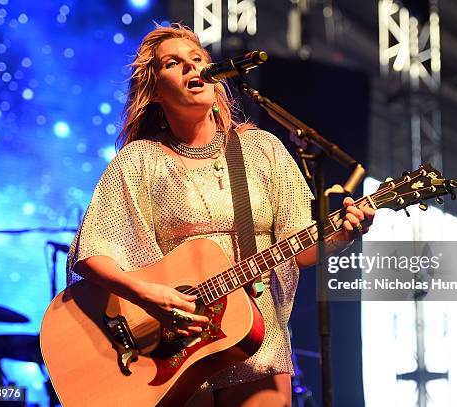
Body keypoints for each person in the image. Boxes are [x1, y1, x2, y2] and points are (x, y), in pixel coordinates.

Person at [67, 23, 374, 407]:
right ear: (155, 92)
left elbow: (300, 250)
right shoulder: (139, 161)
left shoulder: (263, 150)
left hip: (255, 345)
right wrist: (148, 296)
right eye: (173, 64)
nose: (191, 68)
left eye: (198, 60)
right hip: (171, 352)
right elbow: (91, 253)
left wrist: (342, 235)